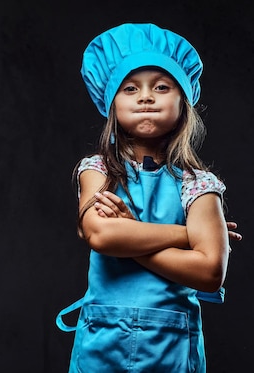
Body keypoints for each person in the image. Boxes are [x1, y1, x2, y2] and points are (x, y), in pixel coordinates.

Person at [55, 23, 242, 372]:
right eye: (130, 88)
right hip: (102, 343)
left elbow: (210, 271)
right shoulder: (97, 170)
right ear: (112, 103)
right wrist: (190, 235)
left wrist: (130, 236)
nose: (145, 97)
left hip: (171, 348)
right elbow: (102, 235)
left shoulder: (199, 183)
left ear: (182, 101)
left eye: (161, 86)